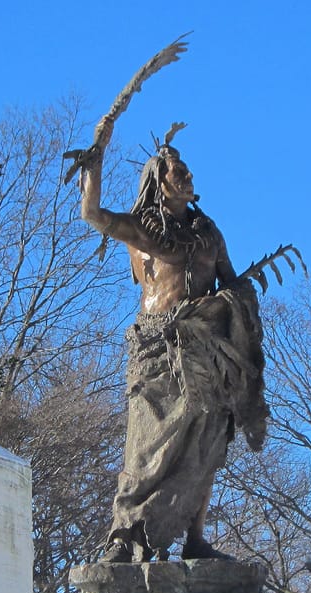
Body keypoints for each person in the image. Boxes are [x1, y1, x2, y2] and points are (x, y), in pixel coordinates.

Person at [76, 124, 268, 562]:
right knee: (146, 445)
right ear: (159, 181)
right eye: (178, 172)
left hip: (205, 348)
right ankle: (126, 536)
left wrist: (234, 301)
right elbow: (92, 214)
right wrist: (95, 163)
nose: (187, 177)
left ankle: (195, 539)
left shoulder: (209, 232)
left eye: (187, 171)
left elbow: (231, 281)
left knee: (207, 442)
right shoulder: (144, 229)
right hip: (157, 347)